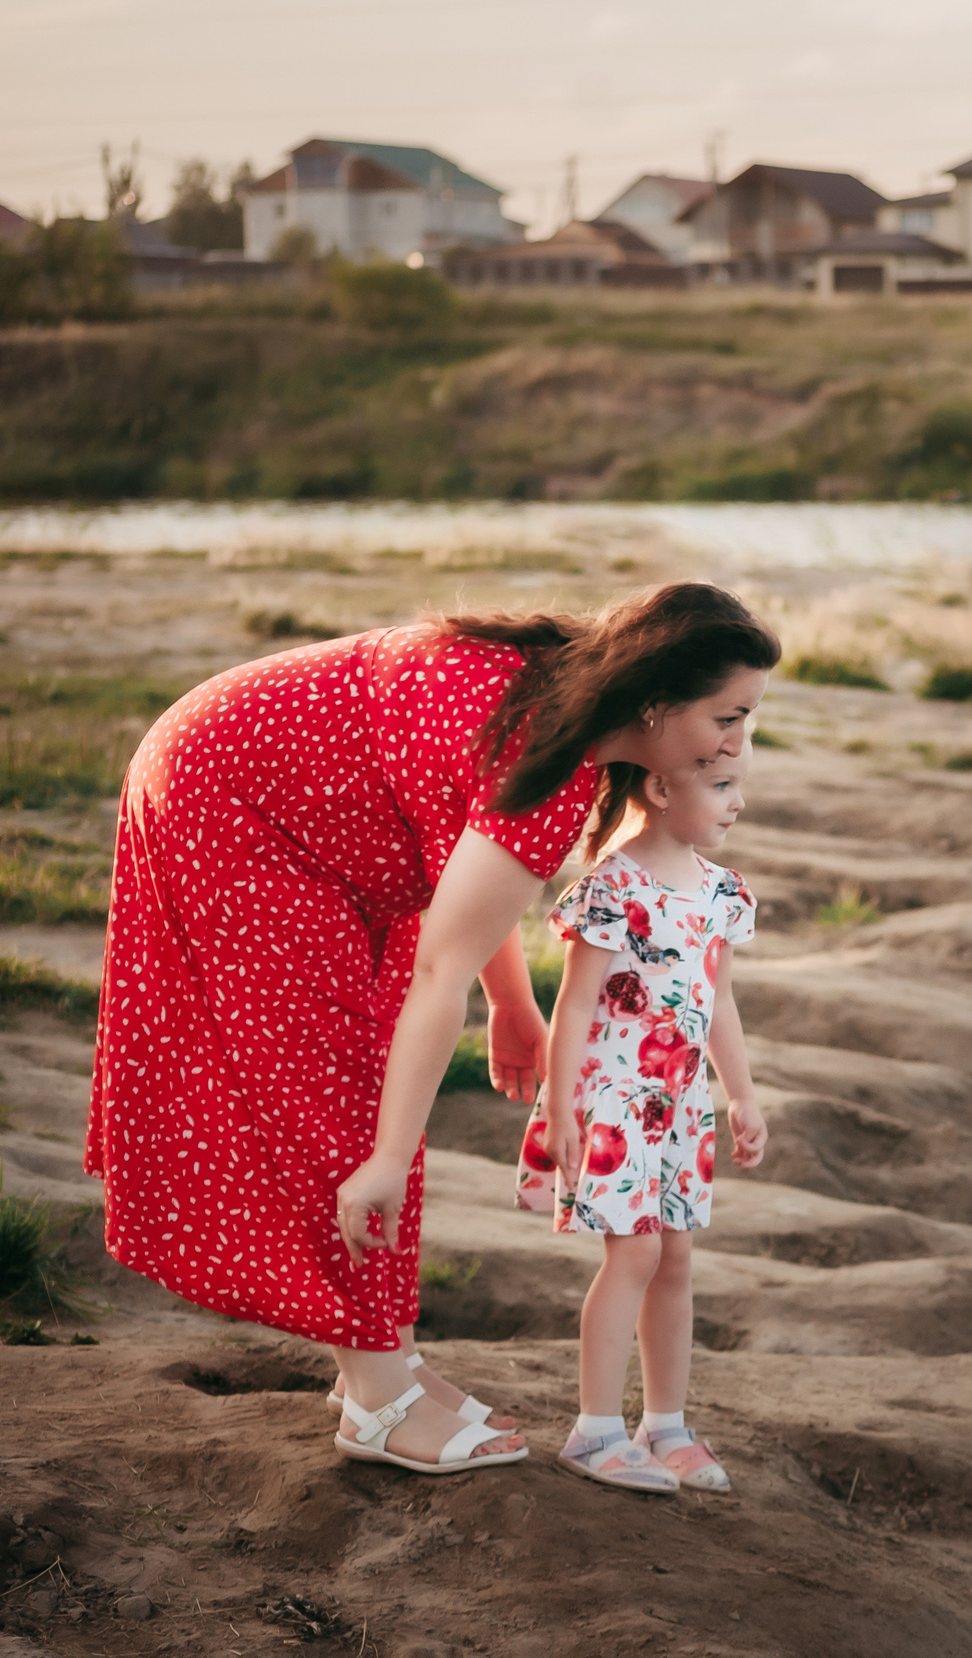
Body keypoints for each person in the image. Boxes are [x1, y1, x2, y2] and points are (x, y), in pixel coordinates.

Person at [86, 582, 777, 1475]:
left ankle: (384, 1353)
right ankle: (376, 1398)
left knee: (374, 1068)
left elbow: (456, 865)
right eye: (729, 715)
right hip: (233, 803)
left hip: (279, 796)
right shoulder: (553, 755)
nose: (738, 744)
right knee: (330, 1080)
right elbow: (441, 968)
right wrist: (381, 1160)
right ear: (655, 700)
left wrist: (517, 1006)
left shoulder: (561, 702)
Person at [514, 750, 765, 1493]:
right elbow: (578, 1003)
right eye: (722, 786)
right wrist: (559, 1104)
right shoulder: (613, 886)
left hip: (681, 1104)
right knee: (635, 1256)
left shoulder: (722, 891)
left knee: (676, 1259)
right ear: (659, 786)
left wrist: (741, 1093)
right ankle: (595, 1429)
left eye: (738, 786)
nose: (737, 802)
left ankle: (666, 1424)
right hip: (618, 1099)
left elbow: (718, 1001)